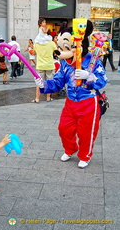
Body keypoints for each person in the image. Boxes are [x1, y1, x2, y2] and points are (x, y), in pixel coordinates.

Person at [34, 20, 108, 168]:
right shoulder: (65, 63)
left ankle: (85, 155)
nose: (62, 51)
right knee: (63, 128)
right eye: (61, 47)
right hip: (70, 102)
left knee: (86, 133)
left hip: (88, 102)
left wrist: (89, 76)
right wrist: (45, 84)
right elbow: (58, 81)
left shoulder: (93, 60)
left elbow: (102, 80)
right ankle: (70, 148)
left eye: (66, 47)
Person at [31, 34, 57, 103]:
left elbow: (34, 53)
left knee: (38, 82)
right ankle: (48, 98)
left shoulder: (36, 44)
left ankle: (37, 98)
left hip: (40, 65)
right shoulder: (52, 43)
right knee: (48, 82)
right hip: (49, 65)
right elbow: (56, 52)